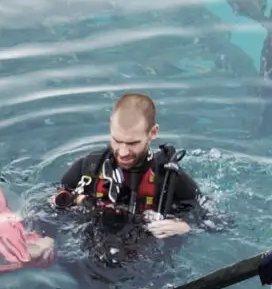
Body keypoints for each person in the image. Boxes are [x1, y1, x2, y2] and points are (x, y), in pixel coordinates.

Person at [32, 92, 203, 265]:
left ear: (153, 133)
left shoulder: (168, 177)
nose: (122, 152)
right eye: (117, 140)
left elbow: (217, 221)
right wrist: (47, 237)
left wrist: (185, 227)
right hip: (89, 256)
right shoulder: (88, 169)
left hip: (147, 264)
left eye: (132, 143)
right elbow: (49, 207)